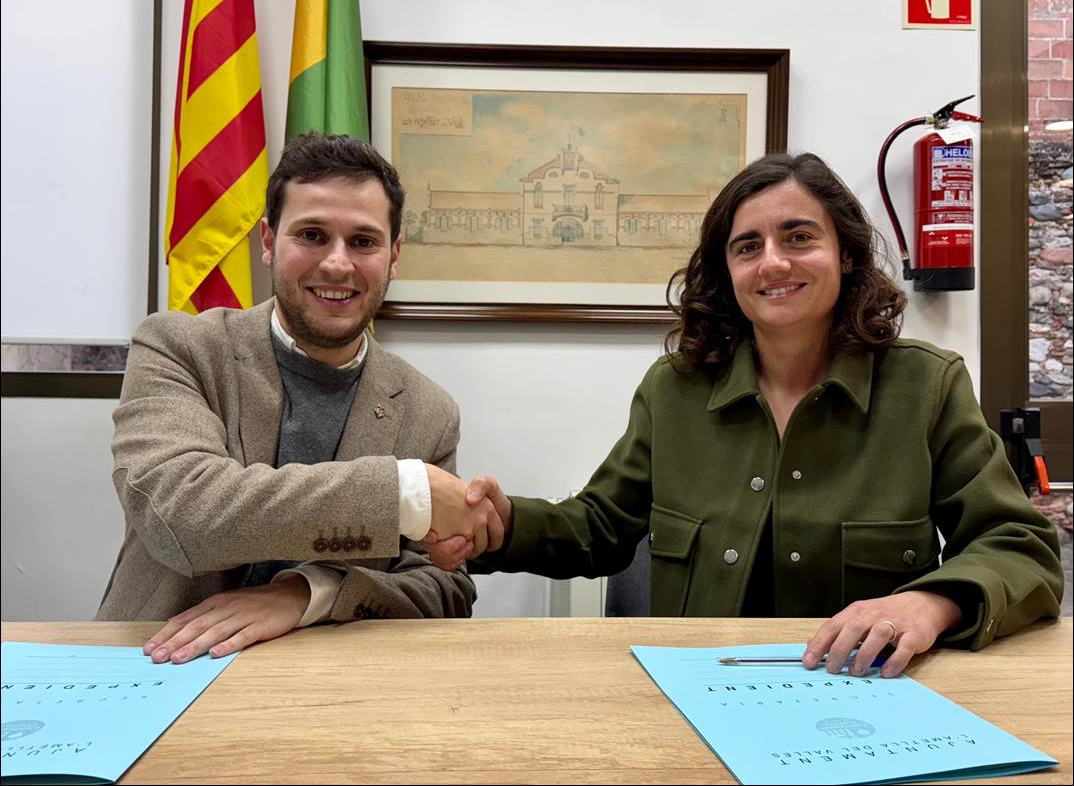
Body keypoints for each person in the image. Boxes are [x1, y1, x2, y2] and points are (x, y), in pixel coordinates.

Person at [426, 152, 1063, 679]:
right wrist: (500, 524)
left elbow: (1021, 547)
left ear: (845, 254)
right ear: (728, 271)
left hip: (868, 697)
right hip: (700, 691)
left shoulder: (927, 386)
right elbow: (599, 528)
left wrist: (930, 604)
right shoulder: (674, 391)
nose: (773, 262)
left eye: (799, 237)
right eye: (747, 247)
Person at [96, 132, 503, 662]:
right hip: (158, 661)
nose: (337, 264)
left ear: (394, 255)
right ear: (268, 241)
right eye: (312, 235)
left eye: (364, 242)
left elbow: (444, 589)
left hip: (333, 680)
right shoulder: (178, 348)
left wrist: (310, 593)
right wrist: (403, 493)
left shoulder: (429, 410)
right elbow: (179, 513)